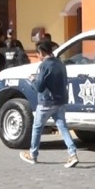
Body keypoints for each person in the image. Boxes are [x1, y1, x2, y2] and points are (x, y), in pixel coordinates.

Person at [20, 39, 79, 168]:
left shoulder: (44, 66)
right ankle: (72, 153)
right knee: (63, 127)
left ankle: (33, 154)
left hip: (46, 102)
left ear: (41, 52)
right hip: (60, 101)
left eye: (37, 53)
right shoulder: (60, 63)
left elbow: (40, 87)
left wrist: (33, 80)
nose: (38, 56)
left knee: (37, 128)